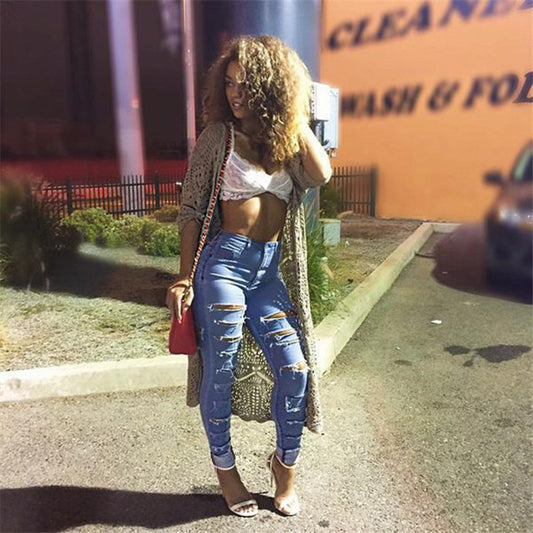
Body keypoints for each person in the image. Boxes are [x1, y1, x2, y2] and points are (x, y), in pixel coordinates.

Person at [168, 35, 331, 518]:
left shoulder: (283, 141)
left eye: (246, 84)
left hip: (267, 272)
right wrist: (183, 277)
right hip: (224, 266)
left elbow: (320, 174)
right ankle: (226, 471)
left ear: (269, 86)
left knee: (295, 369)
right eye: (229, 83)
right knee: (219, 371)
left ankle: (284, 465)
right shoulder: (218, 138)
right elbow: (192, 209)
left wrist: (294, 116)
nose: (235, 93)